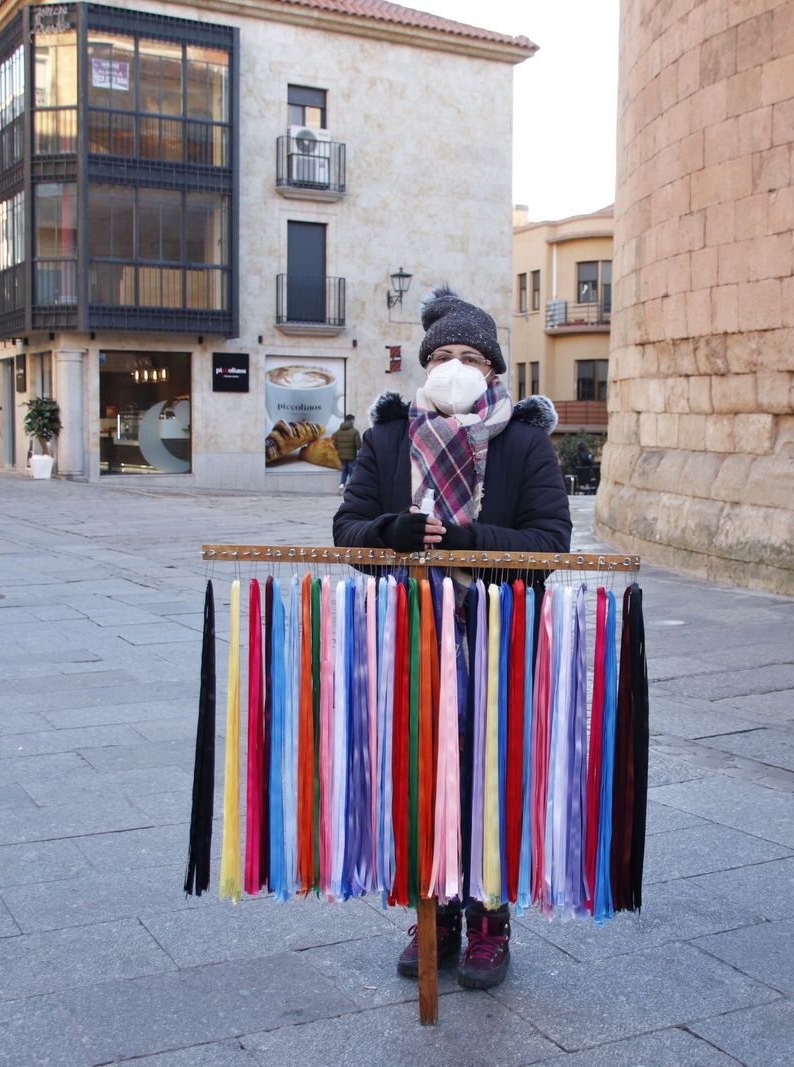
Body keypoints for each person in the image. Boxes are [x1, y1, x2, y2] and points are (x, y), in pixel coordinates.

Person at [334, 286, 570, 991]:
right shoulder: (385, 439)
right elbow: (347, 530)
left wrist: (468, 541)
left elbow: (550, 540)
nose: (455, 367)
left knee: (490, 777)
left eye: (470, 356)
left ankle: (490, 918)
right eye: (443, 355)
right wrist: (389, 534)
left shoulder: (526, 443)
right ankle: (432, 910)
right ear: (424, 366)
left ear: (494, 371)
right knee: (420, 774)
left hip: (498, 644)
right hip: (410, 640)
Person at [332, 412, 361, 491]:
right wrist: (359, 450)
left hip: (341, 455)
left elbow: (334, 443)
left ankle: (342, 485)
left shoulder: (338, 431)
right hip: (351, 456)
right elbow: (358, 445)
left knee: (344, 470)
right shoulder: (355, 431)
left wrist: (340, 449)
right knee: (352, 471)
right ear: (351, 420)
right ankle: (353, 488)